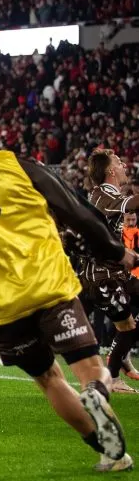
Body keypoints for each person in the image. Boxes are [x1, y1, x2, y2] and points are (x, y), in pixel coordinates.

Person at [0, 94, 134, 473]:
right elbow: (77, 211)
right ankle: (99, 399)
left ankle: (108, 451)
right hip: (51, 285)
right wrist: (117, 252)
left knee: (50, 379)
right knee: (88, 369)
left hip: (2, 303)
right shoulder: (21, 164)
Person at [80, 149, 139, 392]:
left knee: (126, 327)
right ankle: (112, 376)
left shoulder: (103, 194)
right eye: (118, 162)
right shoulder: (103, 193)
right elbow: (133, 204)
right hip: (102, 277)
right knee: (126, 327)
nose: (124, 164)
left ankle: (121, 351)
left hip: (114, 273)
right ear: (110, 170)